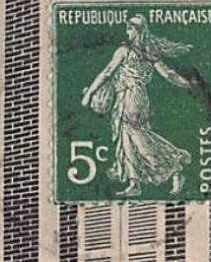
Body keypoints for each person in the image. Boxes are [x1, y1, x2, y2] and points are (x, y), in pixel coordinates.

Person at [82, 15, 196, 198]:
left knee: (136, 137)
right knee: (130, 137)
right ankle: (134, 183)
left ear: (136, 30)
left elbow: (107, 72)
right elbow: (168, 74)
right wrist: (188, 84)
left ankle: (174, 163)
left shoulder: (124, 50)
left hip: (129, 96)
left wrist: (88, 94)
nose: (127, 32)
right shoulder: (149, 51)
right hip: (141, 97)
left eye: (129, 28)